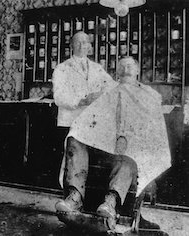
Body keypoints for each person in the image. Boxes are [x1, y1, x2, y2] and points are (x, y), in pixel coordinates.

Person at [56, 56, 171, 229]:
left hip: (132, 147)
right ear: (116, 72)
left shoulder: (149, 95)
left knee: (128, 154)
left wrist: (126, 137)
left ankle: (110, 202)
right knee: (75, 138)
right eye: (122, 66)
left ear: (138, 70)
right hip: (104, 146)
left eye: (130, 65)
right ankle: (75, 197)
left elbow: (153, 130)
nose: (125, 68)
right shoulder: (108, 91)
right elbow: (91, 119)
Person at [52, 31, 117, 211]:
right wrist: (81, 100)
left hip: (93, 123)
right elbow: (58, 96)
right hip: (71, 121)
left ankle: (101, 201)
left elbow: (112, 87)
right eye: (78, 42)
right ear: (71, 46)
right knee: (75, 150)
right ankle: (74, 196)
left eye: (85, 43)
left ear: (90, 46)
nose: (82, 46)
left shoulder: (97, 68)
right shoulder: (62, 68)